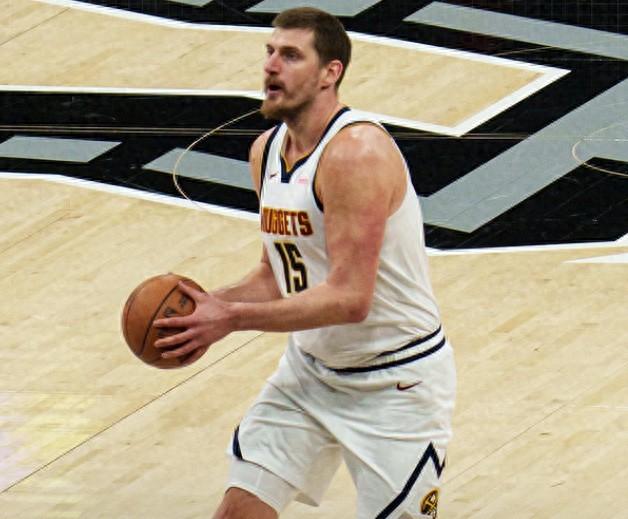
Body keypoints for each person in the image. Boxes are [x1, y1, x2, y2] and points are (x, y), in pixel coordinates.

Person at [154, 7, 456, 519]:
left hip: (395, 383)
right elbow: (276, 276)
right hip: (310, 374)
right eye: (270, 52)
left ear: (329, 73)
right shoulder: (266, 151)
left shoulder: (357, 153)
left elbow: (351, 298)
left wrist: (230, 319)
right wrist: (204, 307)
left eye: (291, 56)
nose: (272, 66)